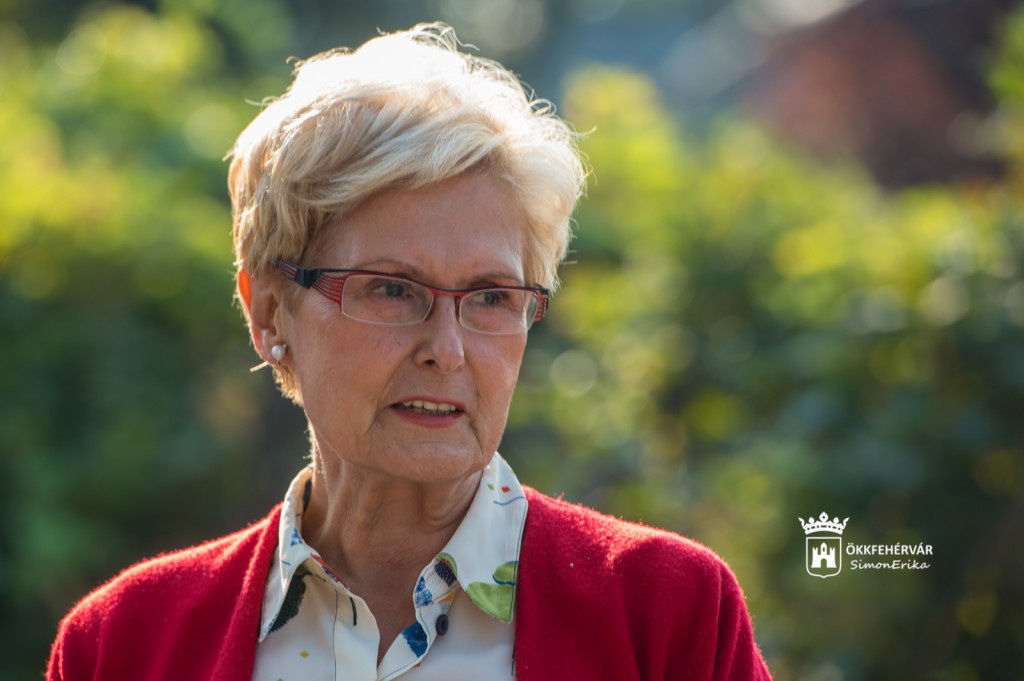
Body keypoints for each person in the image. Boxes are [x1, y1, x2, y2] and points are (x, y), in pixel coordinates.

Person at [47, 23, 771, 681]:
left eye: (491, 297)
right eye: (392, 289)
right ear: (269, 310)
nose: (447, 350)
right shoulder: (122, 645)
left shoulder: (668, 614)